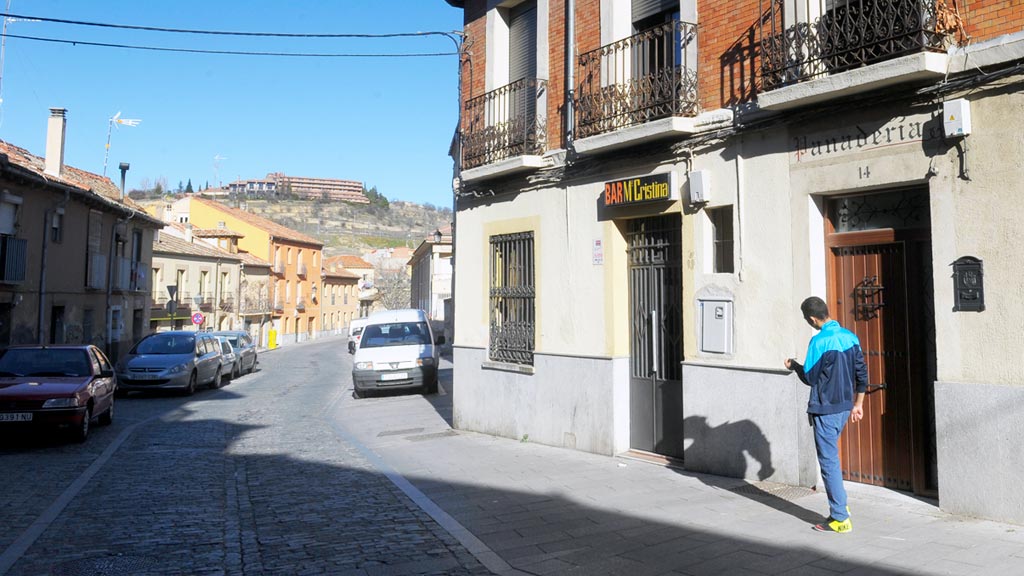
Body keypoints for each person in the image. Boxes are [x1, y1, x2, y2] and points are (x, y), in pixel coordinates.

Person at [784, 296, 867, 533]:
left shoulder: (818, 342)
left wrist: (794, 365)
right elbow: (862, 374)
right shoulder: (850, 337)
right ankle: (842, 506)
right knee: (831, 458)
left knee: (829, 462)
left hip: (826, 409)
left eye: (805, 319)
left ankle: (840, 518)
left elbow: (809, 377)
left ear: (812, 319)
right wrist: (858, 405)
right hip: (844, 407)